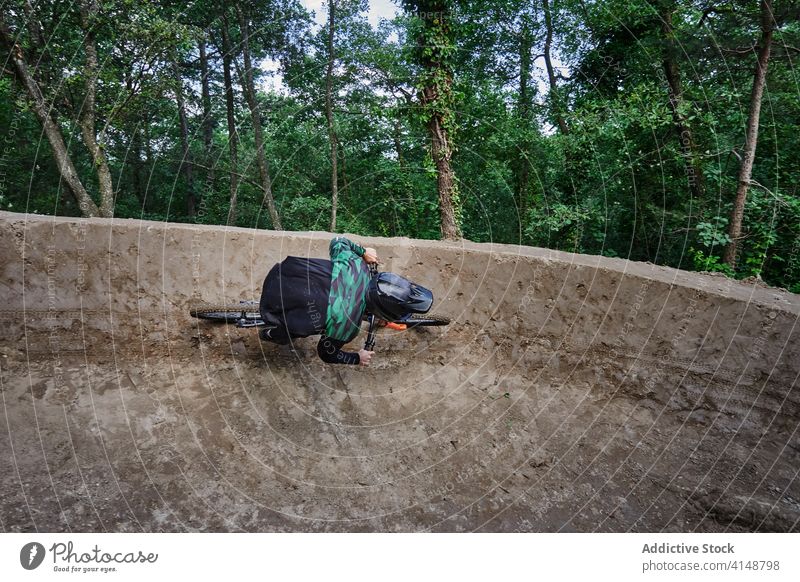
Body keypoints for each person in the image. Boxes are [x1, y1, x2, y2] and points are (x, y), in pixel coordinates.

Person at [259, 236, 433, 366]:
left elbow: (338, 240)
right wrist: (357, 358)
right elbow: (326, 354)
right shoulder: (347, 328)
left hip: (283, 272)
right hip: (273, 308)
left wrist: (363, 252)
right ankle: (268, 334)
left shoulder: (356, 265)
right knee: (291, 333)